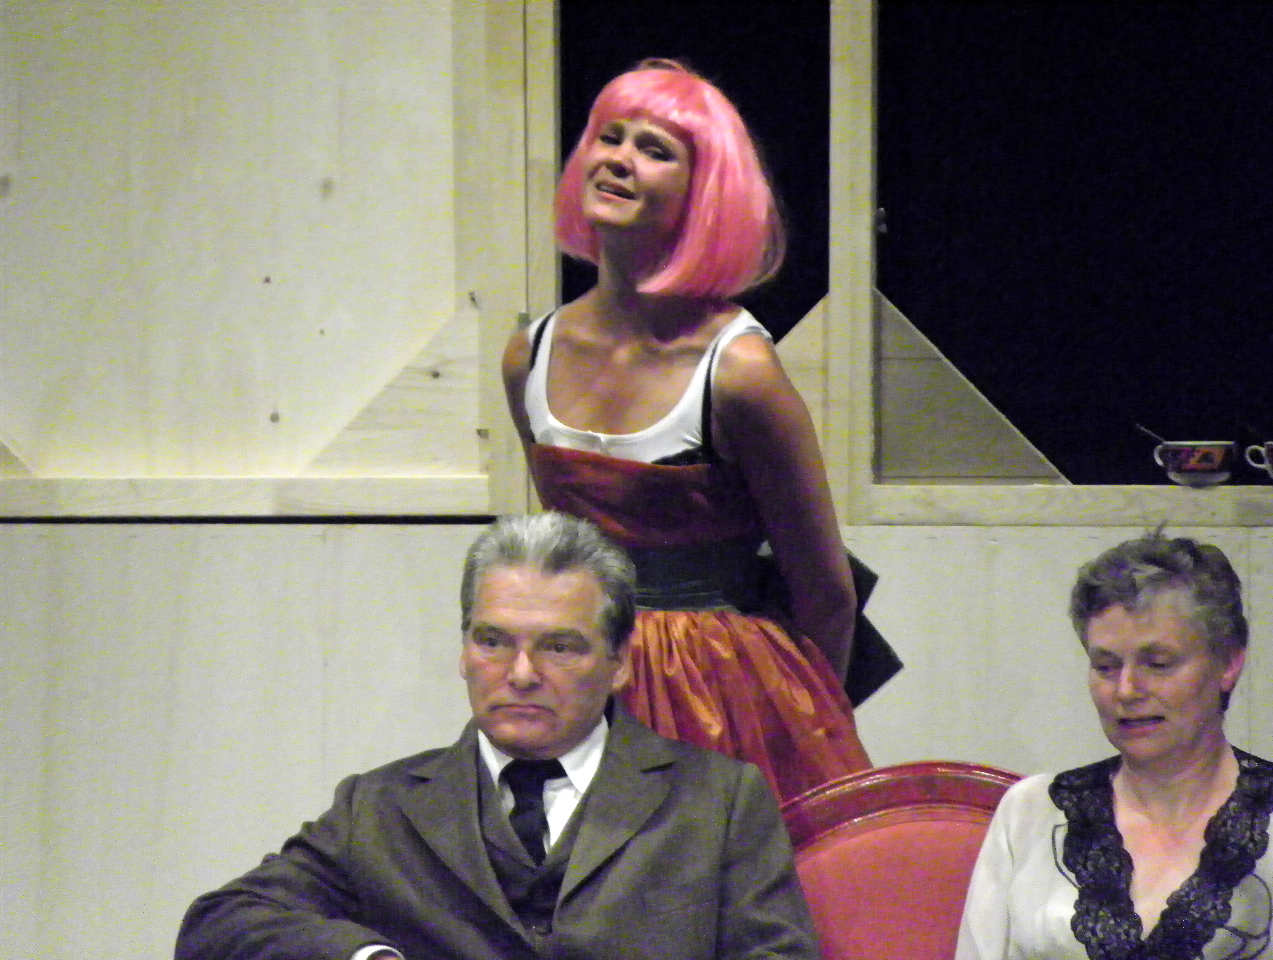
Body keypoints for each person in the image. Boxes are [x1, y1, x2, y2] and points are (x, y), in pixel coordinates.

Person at [175, 512, 820, 960]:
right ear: (463, 651)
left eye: (559, 646)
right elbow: (220, 925)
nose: (521, 674)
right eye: (493, 641)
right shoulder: (380, 807)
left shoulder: (719, 802)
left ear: (621, 661)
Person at [502, 58, 884, 806]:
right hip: (577, 679)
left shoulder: (740, 372)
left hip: (717, 698)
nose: (619, 158)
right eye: (610, 136)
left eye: (654, 149)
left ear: (705, 193)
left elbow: (826, 593)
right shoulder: (529, 355)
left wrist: (792, 726)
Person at [956, 532, 1273, 960]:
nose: (1126, 690)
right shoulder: (1031, 812)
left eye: (1158, 664)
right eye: (1105, 667)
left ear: (1229, 663)